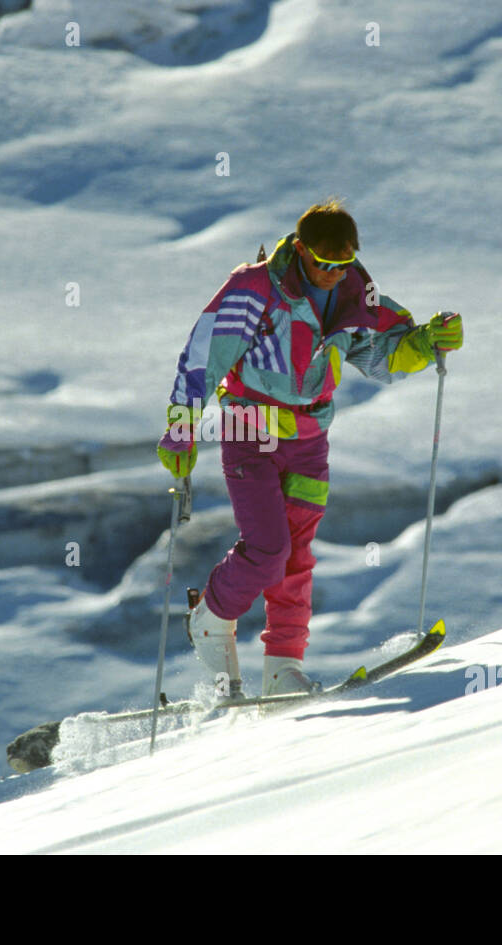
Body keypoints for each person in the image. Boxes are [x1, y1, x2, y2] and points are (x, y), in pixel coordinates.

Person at [158, 199, 462, 697]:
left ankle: (282, 669)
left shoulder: (354, 295)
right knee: (268, 548)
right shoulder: (254, 288)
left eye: (342, 264)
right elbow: (203, 355)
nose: (331, 274)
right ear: (300, 249)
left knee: (297, 555)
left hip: (308, 439)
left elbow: (384, 352)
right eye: (322, 262)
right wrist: (181, 425)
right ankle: (210, 618)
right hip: (250, 430)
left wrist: (429, 341)